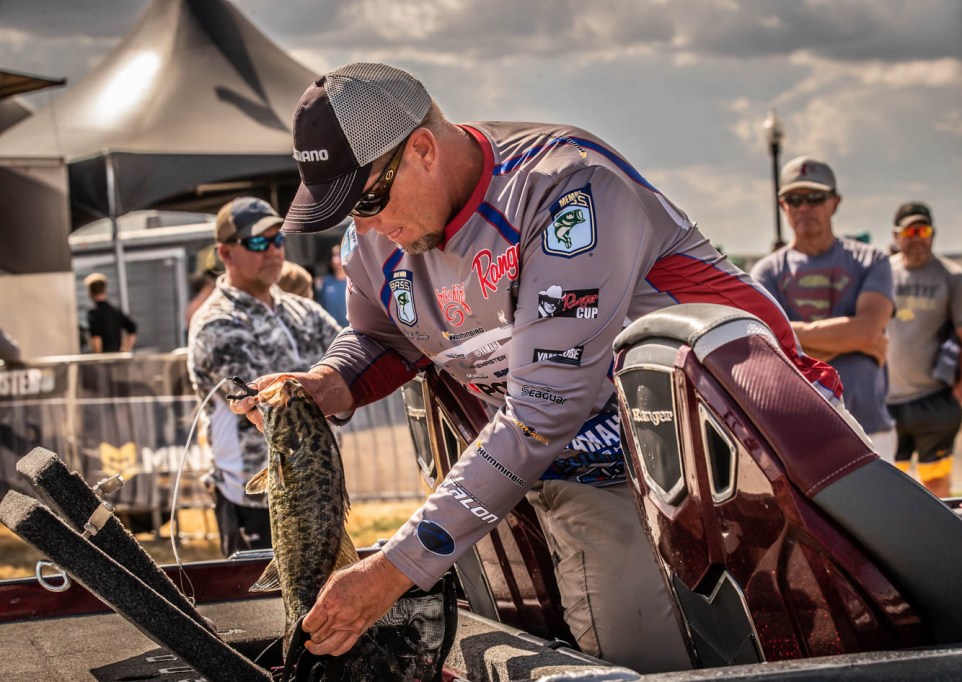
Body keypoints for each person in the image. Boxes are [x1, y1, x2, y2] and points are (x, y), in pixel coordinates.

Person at [230, 62, 842, 673]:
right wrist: (327, 383)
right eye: (345, 211)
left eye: (365, 200)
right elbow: (384, 337)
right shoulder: (374, 240)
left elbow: (545, 408)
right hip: (572, 452)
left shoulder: (568, 188)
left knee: (626, 638)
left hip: (753, 442)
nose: (366, 226)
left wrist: (394, 569)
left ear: (422, 150)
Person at [187, 197, 341, 557]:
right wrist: (332, 386)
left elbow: (351, 366)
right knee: (266, 594)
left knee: (330, 590)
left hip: (321, 491)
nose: (273, 251)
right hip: (256, 501)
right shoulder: (216, 322)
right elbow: (268, 402)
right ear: (225, 253)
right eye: (258, 242)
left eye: (278, 239)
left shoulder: (302, 311)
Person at [750, 156, 896, 461]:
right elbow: (765, 346)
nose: (804, 207)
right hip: (797, 433)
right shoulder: (766, 273)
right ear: (782, 205)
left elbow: (868, 331)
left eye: (815, 197)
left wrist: (796, 343)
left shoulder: (871, 261)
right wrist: (852, 340)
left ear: (835, 202)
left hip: (870, 428)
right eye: (795, 199)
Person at [886, 202, 962, 498]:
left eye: (923, 231)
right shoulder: (882, 273)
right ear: (896, 236)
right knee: (887, 489)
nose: (917, 238)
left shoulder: (953, 277)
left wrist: (959, 392)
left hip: (934, 400)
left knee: (936, 486)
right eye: (909, 232)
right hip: (886, 403)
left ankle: (939, 531)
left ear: (933, 234)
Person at [84, 272, 137, 353]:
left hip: (104, 357)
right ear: (104, 289)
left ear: (90, 291)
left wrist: (97, 357)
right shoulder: (115, 311)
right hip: (116, 355)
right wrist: (125, 350)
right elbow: (132, 327)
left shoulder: (94, 312)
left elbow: (96, 338)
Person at [315, 243, 348, 325]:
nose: (338, 260)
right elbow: (321, 307)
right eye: (335, 256)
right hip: (331, 328)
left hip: (351, 329)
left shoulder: (354, 282)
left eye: (340, 255)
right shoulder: (325, 282)